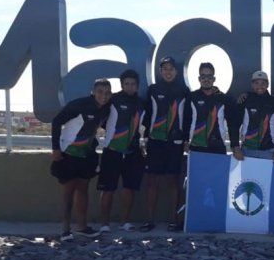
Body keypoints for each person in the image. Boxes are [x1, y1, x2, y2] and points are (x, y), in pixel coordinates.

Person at [51, 78, 112, 241]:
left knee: (83, 190)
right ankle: (65, 230)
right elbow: (56, 121)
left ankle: (82, 227)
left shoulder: (105, 109)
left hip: (86, 155)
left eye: (107, 93)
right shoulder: (79, 105)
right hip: (68, 153)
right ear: (93, 92)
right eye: (100, 92)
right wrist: (55, 149)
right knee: (68, 192)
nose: (103, 96)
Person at [142, 56, 190, 232]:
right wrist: (145, 137)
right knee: (152, 181)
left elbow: (189, 117)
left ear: (176, 71)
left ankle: (174, 219)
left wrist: (185, 139)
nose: (168, 72)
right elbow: (147, 115)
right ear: (160, 71)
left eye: (171, 69)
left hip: (175, 143)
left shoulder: (184, 91)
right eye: (165, 69)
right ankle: (149, 220)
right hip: (155, 142)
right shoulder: (153, 89)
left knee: (173, 182)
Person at [97, 69, 145, 232]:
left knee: (129, 188)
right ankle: (105, 224)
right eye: (126, 84)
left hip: (133, 152)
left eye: (133, 84)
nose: (130, 87)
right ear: (122, 85)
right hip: (112, 151)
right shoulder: (113, 100)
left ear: (137, 86)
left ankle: (125, 222)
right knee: (107, 189)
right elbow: (100, 121)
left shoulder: (141, 103)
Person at [183, 62, 235, 155]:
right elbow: (186, 121)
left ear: (214, 79)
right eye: (203, 76)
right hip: (196, 147)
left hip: (218, 148)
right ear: (199, 79)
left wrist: (235, 146)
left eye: (209, 76)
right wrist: (185, 141)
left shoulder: (224, 99)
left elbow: (232, 124)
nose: (206, 79)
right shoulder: (192, 97)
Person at [230, 71, 274, 161]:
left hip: (268, 151)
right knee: (247, 176)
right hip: (247, 150)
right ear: (252, 84)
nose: (260, 86)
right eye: (256, 83)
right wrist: (236, 147)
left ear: (268, 84)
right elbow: (235, 125)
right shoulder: (245, 100)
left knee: (265, 175)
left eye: (263, 83)